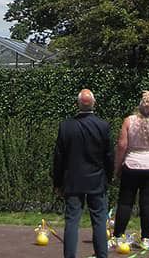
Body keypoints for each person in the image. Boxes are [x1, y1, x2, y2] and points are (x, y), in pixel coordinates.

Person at [53, 88, 114, 258]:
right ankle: (102, 255)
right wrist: (109, 177)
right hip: (97, 179)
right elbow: (109, 156)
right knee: (99, 220)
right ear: (94, 104)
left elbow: (59, 157)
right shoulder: (103, 126)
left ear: (77, 104)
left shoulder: (66, 126)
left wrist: (57, 182)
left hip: (73, 180)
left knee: (72, 221)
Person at [111, 90, 149, 247]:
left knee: (125, 202)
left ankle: (118, 236)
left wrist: (117, 167)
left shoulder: (129, 121)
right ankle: (146, 238)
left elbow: (122, 145)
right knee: (148, 202)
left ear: (139, 106)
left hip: (133, 163)